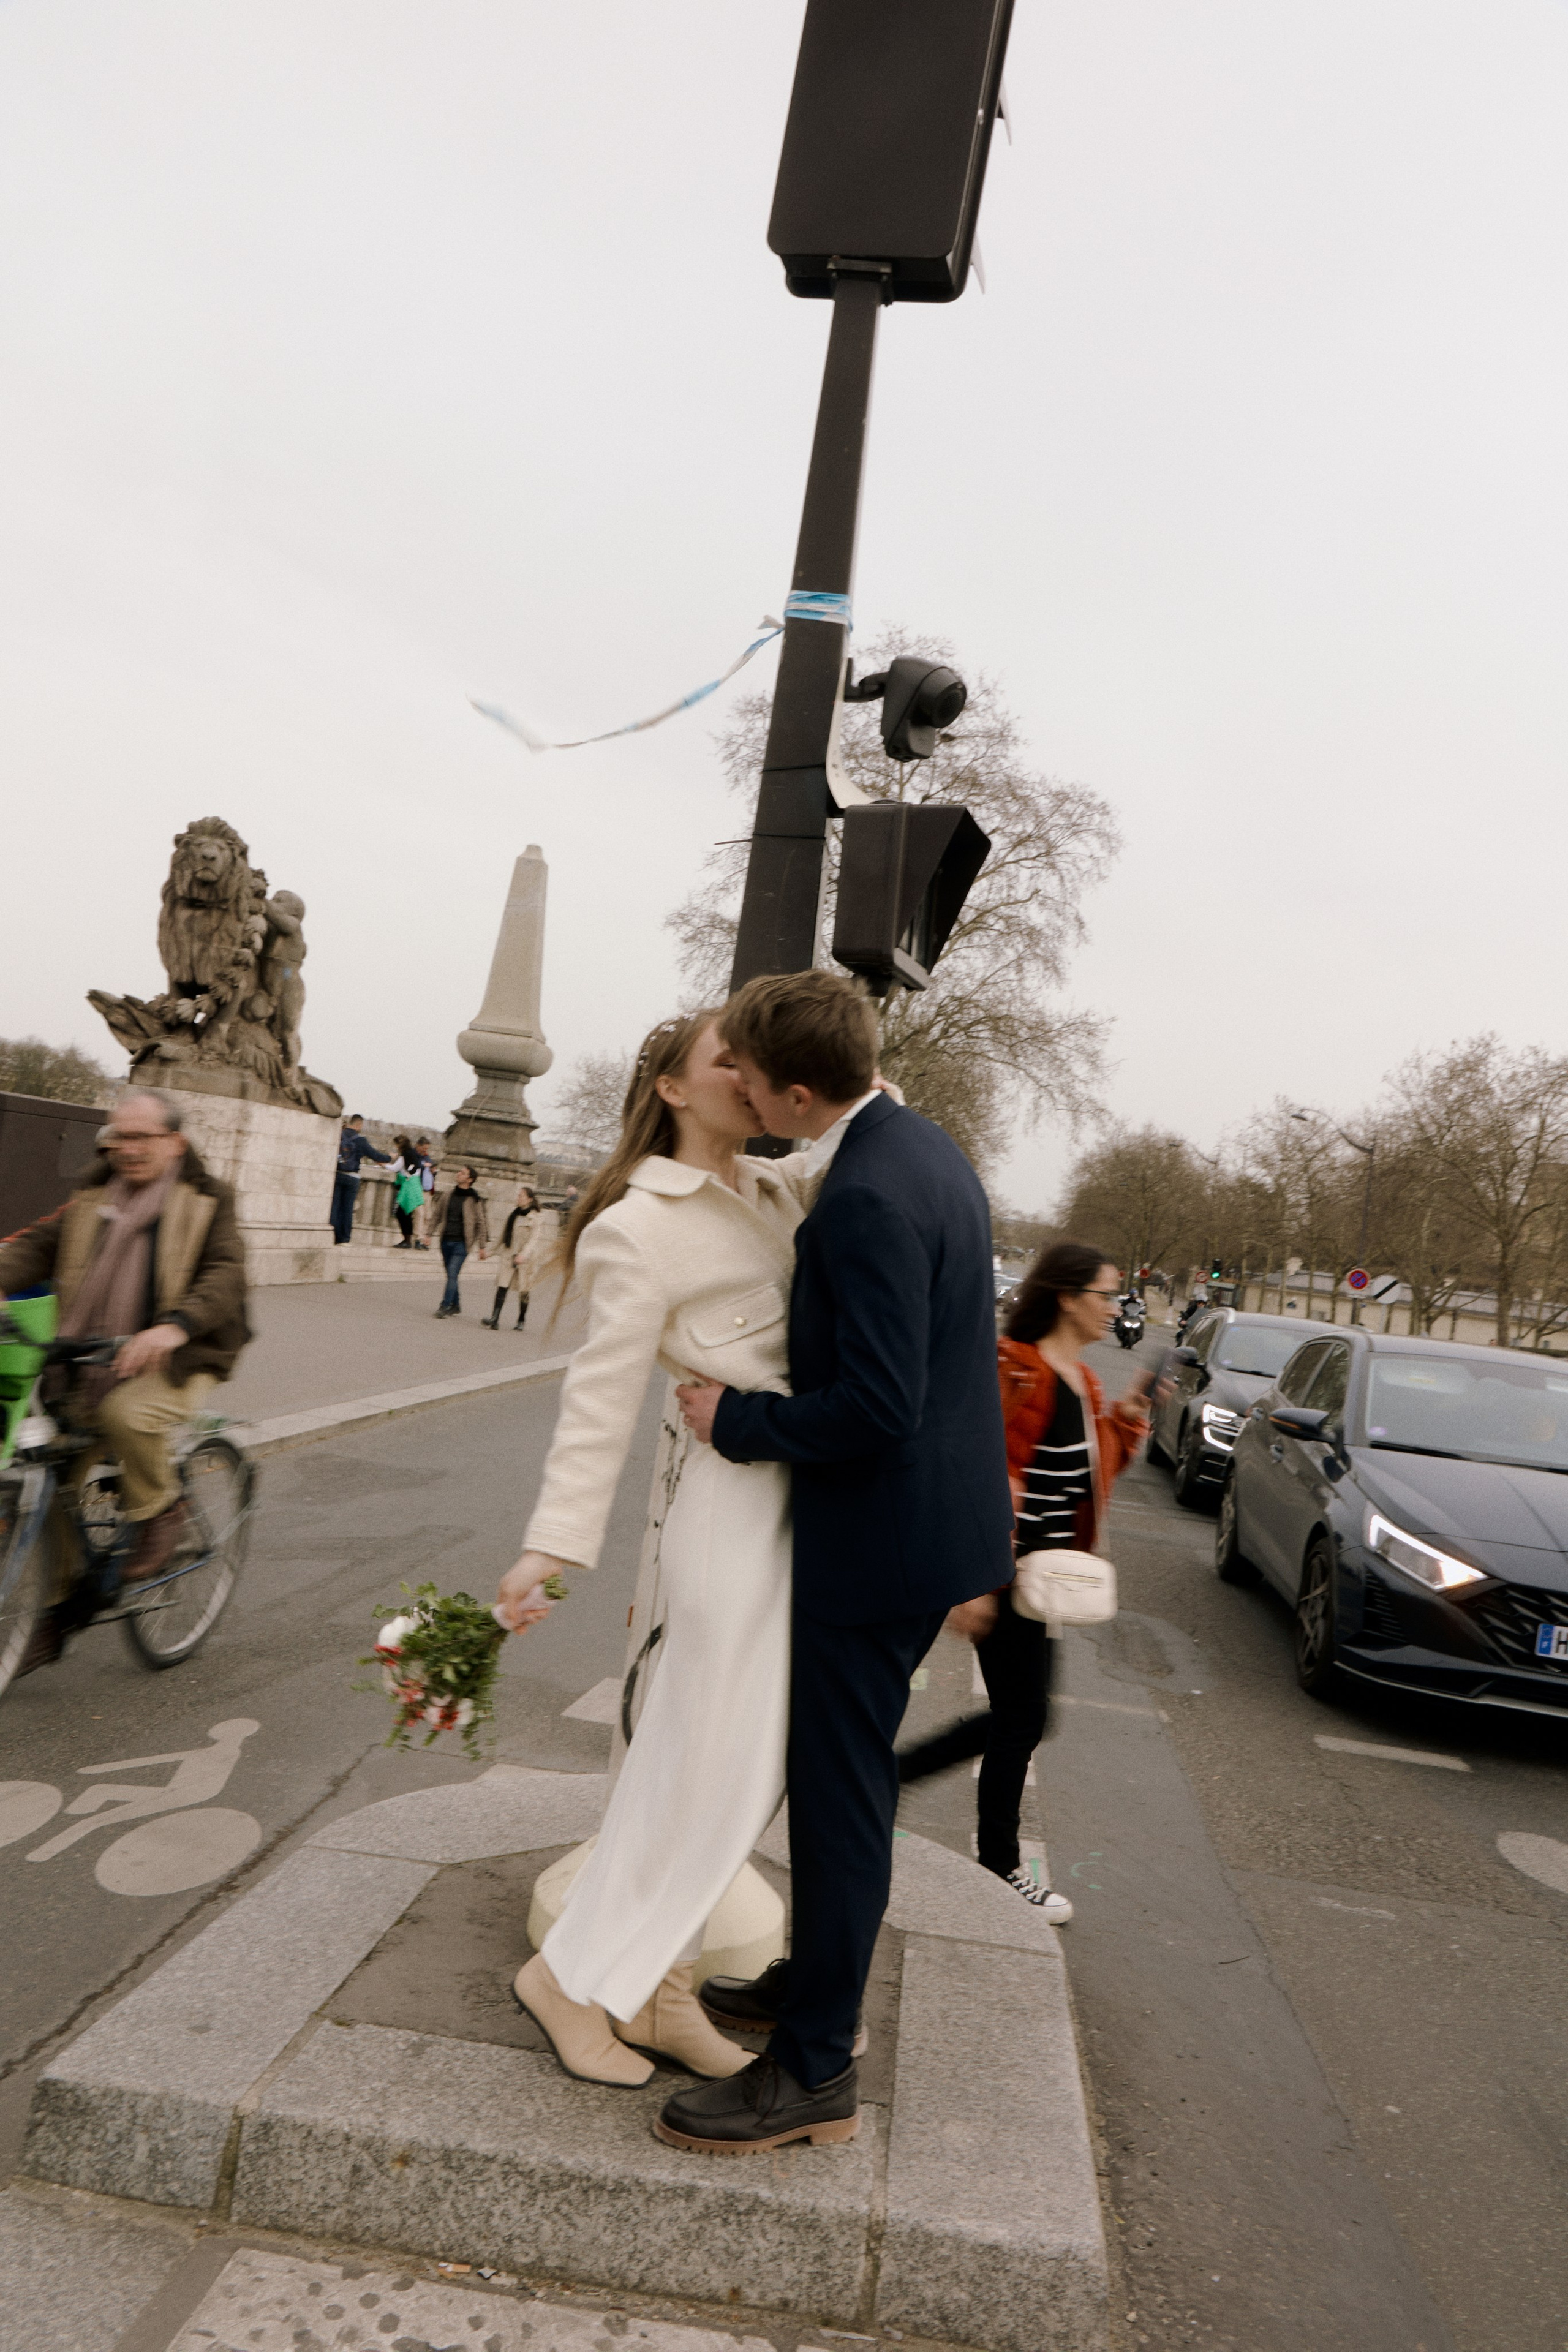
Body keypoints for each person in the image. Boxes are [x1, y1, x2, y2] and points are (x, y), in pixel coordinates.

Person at [661, 971, 1013, 2157]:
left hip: (877, 1543)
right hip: (928, 1532)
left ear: (797, 1091)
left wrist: (735, 1424)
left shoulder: (862, 1195)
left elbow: (874, 1405)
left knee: (840, 1799)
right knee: (841, 1786)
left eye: (750, 1078)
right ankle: (812, 1982)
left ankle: (811, 2068)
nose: (739, 1089)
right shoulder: (920, 1147)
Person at [492, 1010, 809, 2089]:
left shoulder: (772, 1189)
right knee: (701, 1766)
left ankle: (660, 1989)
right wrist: (554, 1545)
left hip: (788, 1503)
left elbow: (865, 1118)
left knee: (738, 1770)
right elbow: (601, 1395)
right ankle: (570, 1980)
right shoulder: (639, 1223)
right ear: (672, 1089)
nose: (752, 1072)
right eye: (731, 1056)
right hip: (725, 1507)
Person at [895, 1239, 1154, 1921]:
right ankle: (1000, 1867)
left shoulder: (1085, 1382)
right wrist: (976, 1579)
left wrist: (1124, 1421)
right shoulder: (1018, 1369)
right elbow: (986, 1474)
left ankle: (887, 1781)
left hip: (1040, 1576)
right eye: (1106, 1294)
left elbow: (1084, 1484)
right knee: (1024, 1715)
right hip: (1003, 1569)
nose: (1117, 1309)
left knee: (1025, 1714)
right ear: (1066, 1298)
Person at [0, 1088, 250, 1673]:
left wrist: (175, 1327)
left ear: (175, 1143)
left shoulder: (207, 1200)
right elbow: (38, 1246)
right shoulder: (93, 1196)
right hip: (88, 1358)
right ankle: (59, 1608)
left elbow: (225, 1273)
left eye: (141, 1137)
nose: (126, 1148)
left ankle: (163, 1509)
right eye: (118, 1137)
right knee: (50, 1466)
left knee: (127, 1416)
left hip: (179, 1358)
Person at [482, 1186, 548, 1329]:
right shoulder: (512, 1213)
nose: (518, 1198)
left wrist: (524, 1255)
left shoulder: (537, 1217)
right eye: (518, 1195)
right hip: (509, 1254)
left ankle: (521, 1320)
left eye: (521, 1196)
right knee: (502, 1286)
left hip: (526, 1260)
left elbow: (534, 1240)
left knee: (524, 1290)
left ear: (530, 1200)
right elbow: (502, 1235)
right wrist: (489, 1252)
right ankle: (495, 1319)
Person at [427, 1165, 488, 1317]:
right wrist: (428, 1234)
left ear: (469, 1180)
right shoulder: (448, 1195)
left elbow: (481, 1223)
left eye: (463, 1173)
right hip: (446, 1240)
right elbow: (436, 1215)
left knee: (453, 1273)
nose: (458, 1174)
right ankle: (456, 1304)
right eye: (459, 1172)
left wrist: (482, 1246)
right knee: (451, 1275)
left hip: (462, 1244)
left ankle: (445, 1306)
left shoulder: (474, 1200)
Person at [332, 1115, 391, 1245]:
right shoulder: (360, 1140)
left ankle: (331, 1235)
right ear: (359, 1125)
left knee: (335, 1207)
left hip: (337, 1174)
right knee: (347, 1209)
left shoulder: (339, 1134)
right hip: (352, 1177)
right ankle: (344, 1239)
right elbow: (375, 1155)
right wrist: (389, 1158)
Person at [388, 1134, 423, 1250]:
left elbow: (395, 1168)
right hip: (415, 1185)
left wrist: (382, 1164)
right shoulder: (413, 1154)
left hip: (408, 1187)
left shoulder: (404, 1156)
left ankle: (407, 1240)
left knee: (402, 1213)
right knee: (406, 1213)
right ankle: (409, 1239)